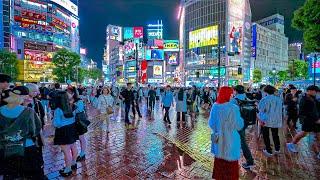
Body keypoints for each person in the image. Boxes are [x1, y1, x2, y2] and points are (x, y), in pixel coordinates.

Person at [0, 86, 43, 179]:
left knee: (11, 175)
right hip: (26, 147)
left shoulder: (1, 110)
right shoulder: (28, 111)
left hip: (7, 147)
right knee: (30, 175)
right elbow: (35, 130)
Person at [208, 86, 244, 180]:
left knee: (220, 165)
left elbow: (211, 124)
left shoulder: (215, 106)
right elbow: (238, 125)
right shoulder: (233, 108)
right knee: (231, 166)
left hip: (219, 139)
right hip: (231, 140)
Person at [287, 85, 320, 159]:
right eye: (315, 91)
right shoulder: (305, 99)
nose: (316, 93)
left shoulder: (312, 98)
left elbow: (315, 109)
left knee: (317, 135)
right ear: (309, 91)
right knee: (303, 133)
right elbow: (305, 111)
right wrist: (316, 119)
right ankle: (291, 144)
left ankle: (292, 144)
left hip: (313, 120)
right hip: (308, 120)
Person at [52, 91, 78, 177]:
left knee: (66, 152)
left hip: (63, 131)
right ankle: (73, 163)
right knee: (73, 147)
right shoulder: (73, 106)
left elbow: (57, 124)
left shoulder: (58, 109)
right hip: (72, 129)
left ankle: (67, 169)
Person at [230, 85, 255, 169]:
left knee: (242, 142)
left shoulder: (234, 100)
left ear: (236, 91)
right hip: (245, 122)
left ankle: (249, 161)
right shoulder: (246, 98)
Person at [258, 85, 283, 157]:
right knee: (275, 134)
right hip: (276, 119)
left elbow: (261, 110)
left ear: (266, 91)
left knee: (266, 135)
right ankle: (277, 149)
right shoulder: (278, 99)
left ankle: (268, 150)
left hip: (267, 120)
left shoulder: (265, 99)